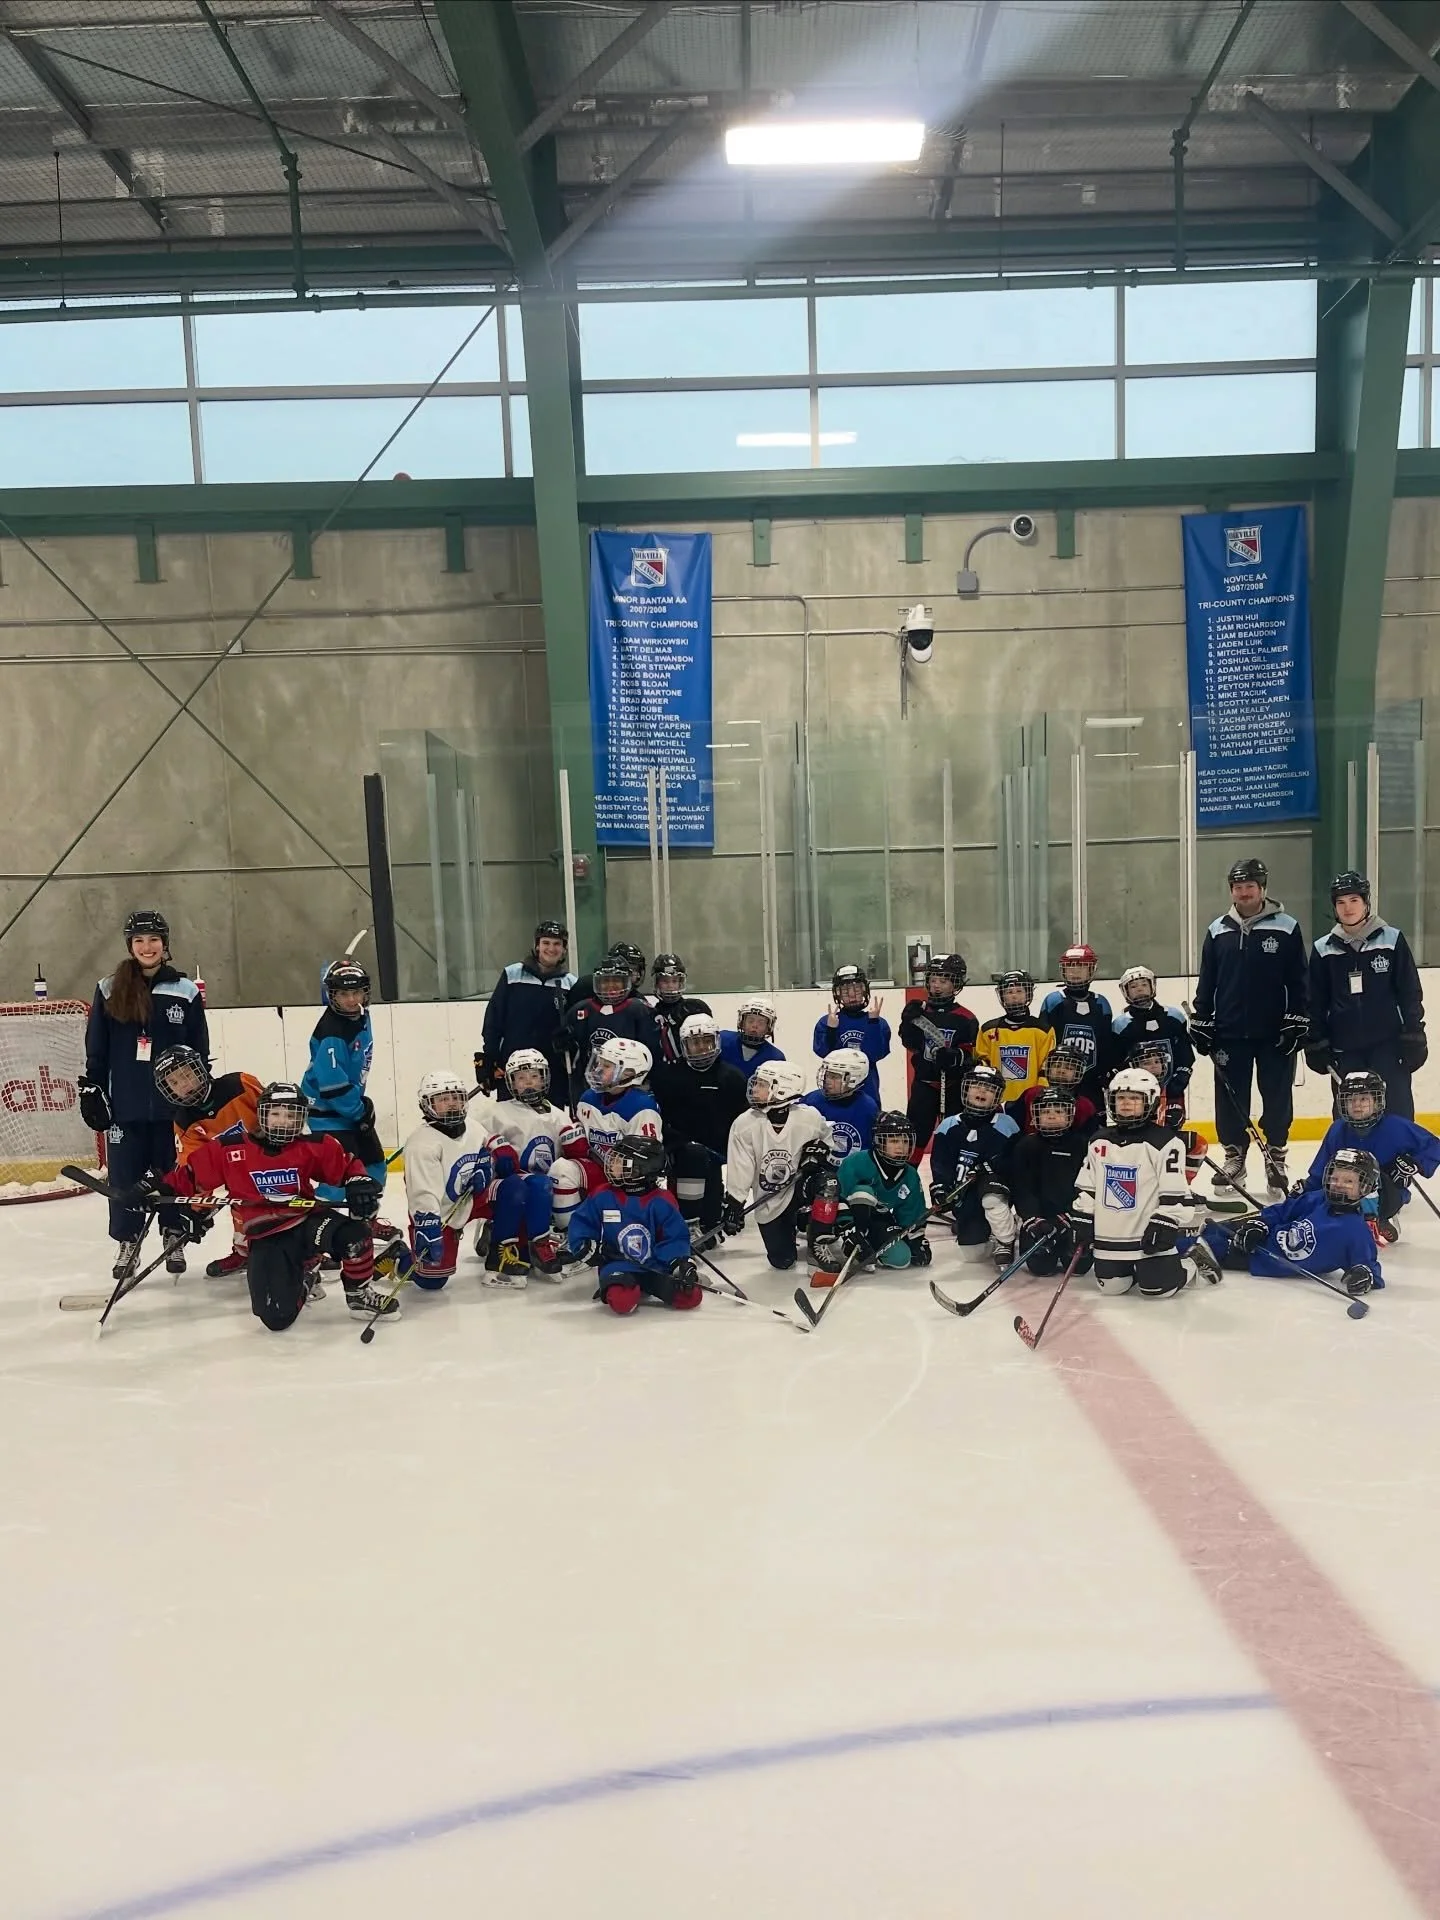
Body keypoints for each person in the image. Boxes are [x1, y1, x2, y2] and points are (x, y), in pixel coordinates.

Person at [146, 1081, 396, 1329]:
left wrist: (359, 1182)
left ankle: (359, 1296)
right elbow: (188, 1177)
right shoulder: (229, 1148)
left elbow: (347, 1167)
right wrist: (154, 1189)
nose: (283, 1121)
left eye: (291, 1115)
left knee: (356, 1236)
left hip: (306, 1221)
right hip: (266, 1234)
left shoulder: (313, 1145)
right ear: (262, 1114)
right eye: (275, 1113)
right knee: (276, 1318)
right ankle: (306, 1274)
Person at [79, 909, 209, 1284]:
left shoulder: (184, 991)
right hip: (125, 1105)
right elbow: (97, 1047)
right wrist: (93, 1086)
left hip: (172, 1107)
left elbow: (199, 1048)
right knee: (124, 1176)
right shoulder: (108, 988)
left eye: (153, 940)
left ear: (165, 945)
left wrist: (199, 1094)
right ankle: (129, 1239)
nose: (147, 947)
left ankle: (174, 1233)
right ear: (130, 946)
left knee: (173, 1174)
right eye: (139, 940)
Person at [1190, 857, 1307, 1197]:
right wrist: (1202, 1018)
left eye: (1250, 886)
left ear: (1262, 889)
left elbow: (1300, 981)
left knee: (1277, 1096)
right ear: (1232, 891)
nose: (1244, 893)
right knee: (1230, 1098)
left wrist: (1297, 1020)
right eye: (1238, 887)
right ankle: (1234, 1156)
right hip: (1229, 1031)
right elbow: (1207, 980)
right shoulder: (1217, 930)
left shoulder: (1286, 927)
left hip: (1274, 1034)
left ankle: (1277, 1154)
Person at [402, 1070, 563, 1291]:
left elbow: (492, 1141)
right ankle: (397, 1258)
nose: (452, 1104)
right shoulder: (422, 1144)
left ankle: (501, 1256)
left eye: (457, 1098)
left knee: (519, 1186)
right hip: (443, 1211)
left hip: (475, 1198)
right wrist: (427, 1225)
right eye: (443, 1099)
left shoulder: (472, 1126)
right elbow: (422, 1192)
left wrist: (497, 1155)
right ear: (427, 1105)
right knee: (432, 1281)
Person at [1307, 872, 1426, 1122]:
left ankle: (1400, 1159)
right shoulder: (1323, 948)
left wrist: (1414, 1033)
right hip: (1344, 1047)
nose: (1347, 908)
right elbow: (1315, 1001)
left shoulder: (1391, 940)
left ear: (1366, 902)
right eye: (1341, 902)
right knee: (1350, 1112)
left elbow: (1409, 991)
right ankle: (1349, 1160)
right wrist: (1316, 1041)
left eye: (1353, 900)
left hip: (1388, 1044)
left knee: (1397, 1108)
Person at [1189, 1148, 1381, 1298]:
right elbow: (1283, 1211)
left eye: (1348, 1181)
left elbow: (1367, 1266)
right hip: (1263, 1237)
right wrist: (1260, 1223)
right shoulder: (1317, 1199)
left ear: (1364, 1187)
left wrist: (1363, 1276)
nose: (1338, 1184)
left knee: (1204, 1245)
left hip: (1260, 1258)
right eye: (1335, 1178)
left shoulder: (1356, 1232)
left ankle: (1182, 1257)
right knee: (1214, 1230)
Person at [299, 959, 399, 1238]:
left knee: (375, 1166)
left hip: (350, 1108)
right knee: (334, 1179)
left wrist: (359, 1109)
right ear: (332, 996)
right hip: (327, 1115)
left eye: (357, 992)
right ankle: (318, 1235)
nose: (352, 999)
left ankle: (364, 1219)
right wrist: (358, 1112)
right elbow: (331, 1086)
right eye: (344, 994)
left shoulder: (360, 1015)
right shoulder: (332, 1031)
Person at [1072, 1066, 1189, 1298]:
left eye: (1134, 1098)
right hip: (1109, 1238)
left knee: (1156, 1291)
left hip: (1147, 1236)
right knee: (1112, 1288)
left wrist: (1166, 1221)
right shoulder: (1099, 1140)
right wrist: (1083, 1217)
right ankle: (1137, 1270)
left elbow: (1174, 1192)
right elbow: (1089, 1187)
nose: (1126, 1103)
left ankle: (1193, 1262)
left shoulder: (1165, 1142)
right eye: (1120, 1097)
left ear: (1152, 1102)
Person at [153, 1046, 262, 1281]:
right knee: (241, 1201)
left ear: (200, 1069)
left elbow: (277, 1113)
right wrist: (196, 1211)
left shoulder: (241, 1084)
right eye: (173, 1082)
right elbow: (196, 1169)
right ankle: (244, 1252)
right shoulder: (185, 1122)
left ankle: (306, 1253)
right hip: (237, 1174)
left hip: (272, 1161)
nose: (182, 1085)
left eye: (185, 1074)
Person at [1298, 1069, 1440, 1244]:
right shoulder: (1337, 1129)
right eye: (1351, 1099)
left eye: (1364, 1099)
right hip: (1345, 1191)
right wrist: (1305, 1192)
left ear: (1377, 1101)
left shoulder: (1396, 1126)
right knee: (1325, 1192)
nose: (1357, 1105)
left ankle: (1376, 1219)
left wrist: (1415, 1162)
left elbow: (1434, 1146)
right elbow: (1321, 1171)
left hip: (1386, 1194)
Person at [567, 1135, 701, 1316]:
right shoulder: (602, 1195)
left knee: (691, 1297)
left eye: (621, 1162)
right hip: (618, 1263)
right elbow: (582, 1223)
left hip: (656, 1265)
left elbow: (674, 1237)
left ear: (641, 1170)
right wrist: (586, 1246)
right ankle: (626, 1284)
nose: (612, 1165)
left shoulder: (662, 1200)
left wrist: (681, 1264)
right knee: (622, 1302)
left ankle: (646, 1284)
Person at [720, 1061, 831, 1270]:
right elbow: (740, 1167)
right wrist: (735, 1203)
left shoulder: (809, 1118)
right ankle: (792, 1229)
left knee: (828, 1183)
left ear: (783, 1089)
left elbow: (829, 1141)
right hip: (769, 1198)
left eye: (762, 1084)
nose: (754, 1089)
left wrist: (819, 1152)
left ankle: (817, 1243)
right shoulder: (745, 1124)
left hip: (799, 1188)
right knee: (782, 1261)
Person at [651, 1014, 747, 1239]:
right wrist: (677, 1143)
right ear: (684, 1046)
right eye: (695, 1043)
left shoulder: (732, 1077)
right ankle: (686, 1223)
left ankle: (709, 1219)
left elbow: (742, 1123)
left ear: (717, 1042)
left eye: (707, 1041)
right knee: (692, 1160)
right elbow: (658, 1118)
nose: (702, 1049)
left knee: (711, 1223)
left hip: (716, 1155)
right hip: (680, 1151)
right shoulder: (668, 1077)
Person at [489, 1049, 590, 1246]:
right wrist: (494, 1144)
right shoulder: (497, 1112)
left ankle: (569, 1234)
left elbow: (568, 1157)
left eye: (534, 1076)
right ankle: (494, 1224)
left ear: (544, 1078)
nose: (528, 1082)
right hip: (515, 1185)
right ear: (511, 1082)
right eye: (521, 1078)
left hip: (547, 1187)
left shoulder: (559, 1115)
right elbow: (475, 1134)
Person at [812, 1113, 929, 1272]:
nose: (901, 1146)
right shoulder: (856, 1162)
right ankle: (845, 1242)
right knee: (863, 1192)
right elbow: (837, 1199)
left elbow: (911, 1214)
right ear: (879, 1142)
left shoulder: (910, 1175)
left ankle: (868, 1244)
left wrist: (917, 1241)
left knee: (901, 1259)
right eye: (894, 1141)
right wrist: (848, 1229)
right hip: (848, 1220)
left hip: (879, 1220)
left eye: (905, 1141)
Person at [930, 1063, 1020, 1263]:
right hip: (965, 1195)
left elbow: (1014, 1162)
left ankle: (1005, 1239)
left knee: (991, 1198)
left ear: (997, 1096)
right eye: (976, 1086)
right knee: (973, 1255)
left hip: (996, 1190)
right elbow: (940, 1163)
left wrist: (991, 1167)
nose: (981, 1091)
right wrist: (940, 1189)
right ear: (966, 1089)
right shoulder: (948, 1126)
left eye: (989, 1089)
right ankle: (984, 1228)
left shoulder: (1007, 1125)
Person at [476, 919, 575, 1097]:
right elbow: (494, 1020)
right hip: (514, 1067)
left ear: (564, 949)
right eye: (546, 943)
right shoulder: (512, 974)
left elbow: (574, 1029)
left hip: (551, 1071)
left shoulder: (570, 984)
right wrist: (491, 1058)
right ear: (537, 946)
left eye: (557, 944)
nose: (551, 949)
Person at [898, 953, 977, 1153]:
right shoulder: (920, 1012)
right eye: (933, 980)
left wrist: (955, 1057)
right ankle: (909, 1179)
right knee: (915, 1136)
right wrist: (908, 1022)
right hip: (924, 1085)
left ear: (956, 983)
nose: (936, 985)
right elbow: (910, 1044)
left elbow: (972, 1055)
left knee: (954, 1136)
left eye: (943, 980)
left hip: (954, 1087)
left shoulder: (966, 1018)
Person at [1009, 1086, 1091, 1277]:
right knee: (1041, 1268)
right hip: (1040, 1221)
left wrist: (1070, 1216)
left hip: (1072, 1221)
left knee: (1078, 1268)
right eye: (1046, 1111)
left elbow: (1088, 1186)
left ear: (1070, 1114)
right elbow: (1021, 1187)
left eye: (1058, 1111)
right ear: (1035, 1114)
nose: (1052, 1116)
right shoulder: (1026, 1145)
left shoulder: (1083, 1145)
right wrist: (1033, 1219)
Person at [560, 955, 661, 1109]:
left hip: (627, 1089)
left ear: (627, 982)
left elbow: (651, 1053)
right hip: (590, 1086)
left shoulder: (640, 1010)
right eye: (606, 981)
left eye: (617, 981)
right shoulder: (580, 1011)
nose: (611, 986)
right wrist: (563, 1045)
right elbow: (572, 1056)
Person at [1111, 968, 1194, 1124]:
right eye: (1134, 986)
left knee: (1172, 1126)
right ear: (1125, 991)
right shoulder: (1121, 1025)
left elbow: (1185, 1055)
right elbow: (1117, 1060)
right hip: (1137, 1092)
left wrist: (1181, 1078)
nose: (1140, 988)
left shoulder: (1174, 1017)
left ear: (1152, 986)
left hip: (1171, 1089)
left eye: (1144, 984)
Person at [1038, 943, 1113, 1098]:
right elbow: (1045, 1043)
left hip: (1091, 1082)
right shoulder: (1054, 1001)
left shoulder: (1101, 1003)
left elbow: (1106, 1045)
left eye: (1081, 967)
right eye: (1070, 967)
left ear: (1091, 970)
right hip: (1059, 1079)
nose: (1075, 972)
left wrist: (1104, 1074)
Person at [813, 965, 891, 1107]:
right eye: (845, 990)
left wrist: (873, 1022)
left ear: (864, 990)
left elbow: (875, 1055)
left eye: (856, 989)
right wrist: (831, 1030)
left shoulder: (879, 1022)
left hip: (867, 1089)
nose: (852, 995)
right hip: (835, 1089)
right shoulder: (826, 1022)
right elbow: (824, 1054)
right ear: (837, 993)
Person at [575, 1037, 663, 1161]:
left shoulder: (642, 1108)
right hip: (595, 1168)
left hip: (626, 1176)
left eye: (606, 1066)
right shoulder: (588, 1098)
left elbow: (646, 1160)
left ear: (629, 1073)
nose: (598, 1070)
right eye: (598, 1063)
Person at [974, 970, 1053, 1099]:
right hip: (997, 1100)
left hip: (1031, 1100)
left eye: (1019, 991)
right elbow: (983, 1063)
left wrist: (1039, 1094)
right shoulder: (988, 1029)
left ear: (1028, 994)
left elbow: (1046, 1066)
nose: (1014, 996)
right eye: (1009, 992)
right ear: (1002, 996)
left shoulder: (1043, 1030)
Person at [802, 1048, 878, 1164]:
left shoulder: (868, 1108)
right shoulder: (811, 1101)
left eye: (834, 1077)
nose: (827, 1080)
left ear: (854, 1078)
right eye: (827, 1075)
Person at [1007, 1043, 1097, 1136]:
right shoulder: (1031, 1094)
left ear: (1078, 1073)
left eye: (1069, 1068)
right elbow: (1012, 1126)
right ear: (1048, 1068)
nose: (1061, 1070)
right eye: (1057, 1066)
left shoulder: (1085, 1107)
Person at [647, 953, 712, 1065]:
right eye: (665, 981)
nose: (670, 986)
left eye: (674, 981)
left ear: (680, 983)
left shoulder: (695, 1008)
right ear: (657, 983)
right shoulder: (650, 1014)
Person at [718, 996, 784, 1076]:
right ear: (742, 1022)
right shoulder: (722, 1040)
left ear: (768, 1027)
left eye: (761, 1022)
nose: (754, 1026)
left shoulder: (776, 1058)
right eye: (750, 1020)